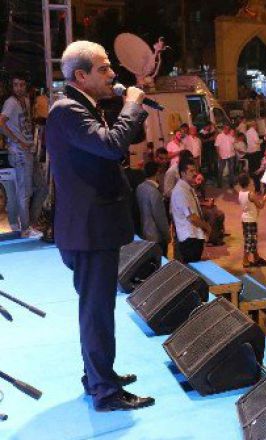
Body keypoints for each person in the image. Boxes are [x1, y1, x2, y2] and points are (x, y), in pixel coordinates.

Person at [46, 40, 153, 411]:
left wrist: (133, 109)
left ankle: (97, 375)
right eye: (104, 68)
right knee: (96, 312)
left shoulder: (83, 107)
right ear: (81, 75)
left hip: (92, 228)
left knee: (96, 309)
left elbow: (124, 141)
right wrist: (133, 105)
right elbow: (111, 146)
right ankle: (105, 392)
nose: (112, 74)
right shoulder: (67, 111)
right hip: (89, 231)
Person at [0, 73, 38, 238]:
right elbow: (1, 122)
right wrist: (16, 140)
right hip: (19, 151)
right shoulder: (11, 103)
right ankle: (25, 228)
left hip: (28, 150)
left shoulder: (27, 100)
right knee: (24, 191)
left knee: (40, 187)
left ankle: (29, 223)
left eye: (21, 84)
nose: (19, 88)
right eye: (16, 85)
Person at [170, 160, 211, 263]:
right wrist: (206, 227)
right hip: (189, 239)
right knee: (193, 269)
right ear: (183, 173)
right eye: (191, 171)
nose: (195, 173)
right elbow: (192, 218)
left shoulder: (188, 188)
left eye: (195, 170)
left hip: (194, 235)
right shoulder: (181, 191)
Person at [135, 161, 170, 257]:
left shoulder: (139, 188)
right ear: (157, 173)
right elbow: (160, 217)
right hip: (157, 237)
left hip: (144, 233)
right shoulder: (155, 192)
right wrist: (167, 235)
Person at [238, 173, 266, 268]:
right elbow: (260, 206)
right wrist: (264, 200)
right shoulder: (251, 194)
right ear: (248, 183)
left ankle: (256, 257)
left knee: (252, 239)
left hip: (245, 219)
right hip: (250, 220)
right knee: (250, 241)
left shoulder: (240, 193)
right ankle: (245, 261)